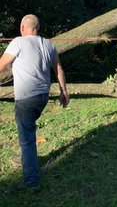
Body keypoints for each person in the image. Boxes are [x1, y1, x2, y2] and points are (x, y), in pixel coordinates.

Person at [0, 14, 69, 192]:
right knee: (28, 133)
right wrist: (64, 91)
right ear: (37, 28)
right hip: (42, 98)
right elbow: (59, 69)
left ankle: (31, 183)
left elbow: (1, 64)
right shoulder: (49, 44)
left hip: (26, 99)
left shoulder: (17, 42)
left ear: (22, 28)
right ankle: (26, 159)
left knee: (27, 139)